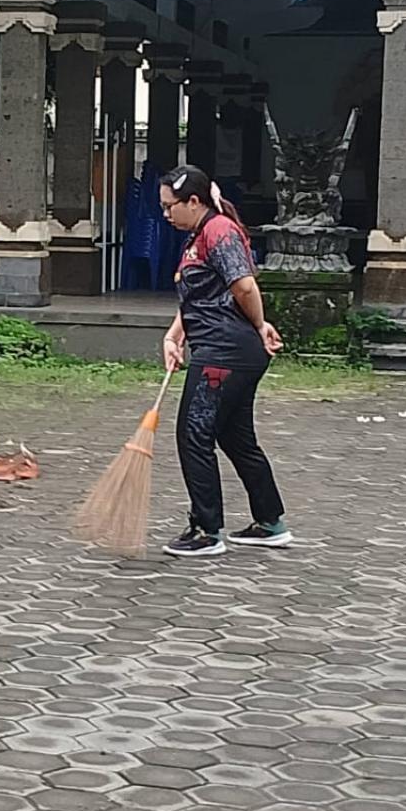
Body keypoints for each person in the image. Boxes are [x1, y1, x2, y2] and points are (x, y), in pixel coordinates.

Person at [159, 164, 291, 557]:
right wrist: (173, 336)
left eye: (169, 206)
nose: (165, 214)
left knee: (193, 433)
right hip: (225, 350)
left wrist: (261, 324)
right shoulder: (199, 235)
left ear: (193, 201)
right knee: (235, 437)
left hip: (225, 352)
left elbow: (244, 286)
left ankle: (206, 530)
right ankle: (270, 522)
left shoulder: (218, 230)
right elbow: (199, 295)